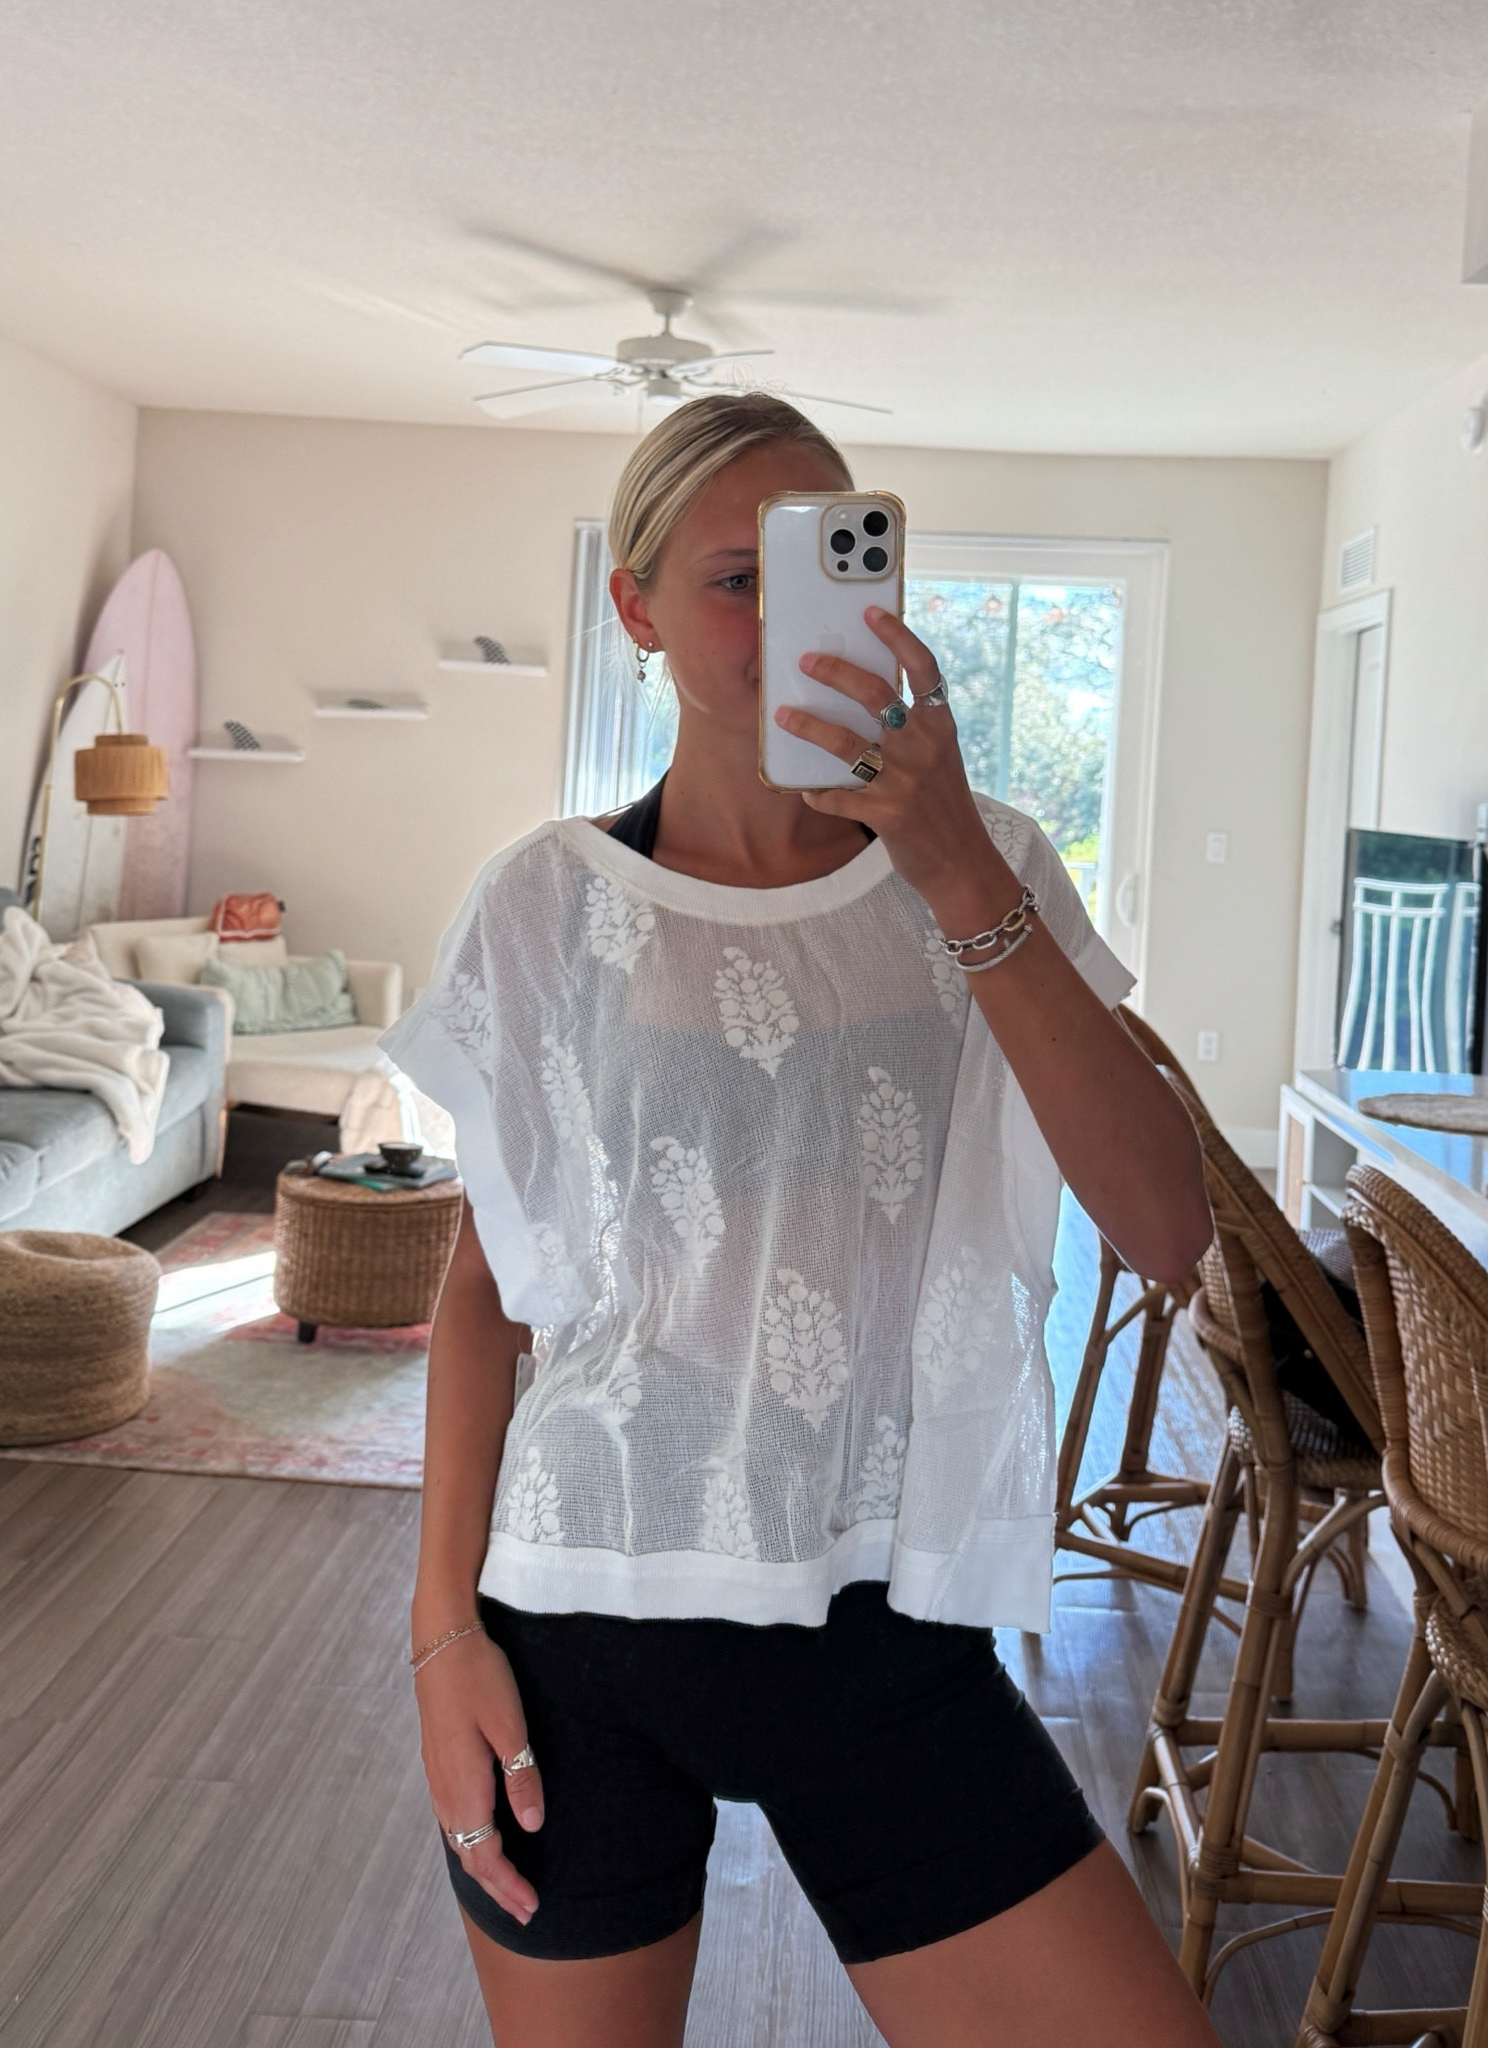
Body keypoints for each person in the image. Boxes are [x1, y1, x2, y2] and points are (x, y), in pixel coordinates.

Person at [381, 393, 1218, 2048]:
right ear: (635, 609)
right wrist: (439, 1636)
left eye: (828, 564)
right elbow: (489, 1284)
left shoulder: (989, 865)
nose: (786, 619)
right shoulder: (548, 902)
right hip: (575, 1624)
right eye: (734, 579)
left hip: (883, 1622)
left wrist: (960, 874)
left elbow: (1167, 1230)